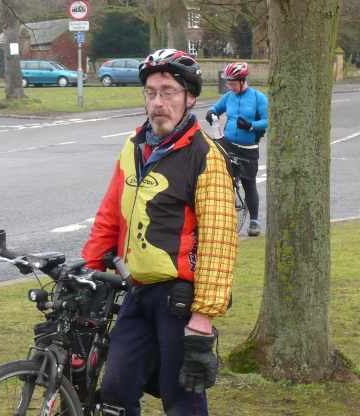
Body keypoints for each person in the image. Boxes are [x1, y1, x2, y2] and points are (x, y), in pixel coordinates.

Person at [82, 49, 239, 416]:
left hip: (179, 300)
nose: (158, 102)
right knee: (115, 390)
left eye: (168, 92)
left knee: (182, 397)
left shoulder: (205, 155)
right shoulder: (134, 147)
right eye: (151, 92)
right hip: (136, 289)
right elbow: (109, 217)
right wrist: (89, 273)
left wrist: (202, 321)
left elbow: (220, 240)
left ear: (189, 97)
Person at [206, 62, 268, 236]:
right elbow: (216, 109)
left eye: (233, 84)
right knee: (213, 172)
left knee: (249, 184)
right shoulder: (229, 97)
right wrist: (211, 113)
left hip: (248, 148)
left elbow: (268, 120)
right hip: (227, 144)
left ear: (242, 81)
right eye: (228, 83)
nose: (230, 86)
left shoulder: (258, 98)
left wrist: (251, 126)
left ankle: (254, 222)